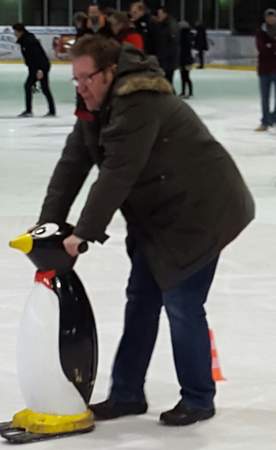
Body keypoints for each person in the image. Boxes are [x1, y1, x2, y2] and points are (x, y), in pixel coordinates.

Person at [37, 35, 255, 426]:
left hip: (199, 212)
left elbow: (119, 173)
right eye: (75, 79)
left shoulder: (138, 104)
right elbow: (72, 163)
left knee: (182, 305)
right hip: (157, 214)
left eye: (87, 78)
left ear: (110, 72)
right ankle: (126, 395)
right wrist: (48, 224)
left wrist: (83, 233)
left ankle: (199, 397)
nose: (81, 87)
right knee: (140, 301)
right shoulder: (95, 106)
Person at [12, 23, 56, 117]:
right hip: (35, 67)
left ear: (20, 31)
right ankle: (49, 111)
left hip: (41, 66)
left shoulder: (29, 41)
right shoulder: (25, 40)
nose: (14, 33)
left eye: (15, 31)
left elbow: (37, 56)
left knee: (38, 87)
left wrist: (40, 70)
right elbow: (30, 59)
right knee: (36, 87)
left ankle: (30, 111)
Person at [255, 8, 276, 132]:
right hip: (264, 70)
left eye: (273, 16)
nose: (271, 18)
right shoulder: (260, 32)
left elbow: (266, 48)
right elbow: (261, 49)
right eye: (269, 16)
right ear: (265, 18)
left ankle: (272, 118)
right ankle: (265, 122)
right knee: (265, 98)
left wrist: (269, 46)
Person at [155, 7, 180, 84]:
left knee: (167, 82)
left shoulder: (171, 25)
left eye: (160, 14)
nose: (158, 16)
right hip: (164, 60)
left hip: (168, 61)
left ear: (165, 14)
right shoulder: (162, 25)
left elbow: (173, 44)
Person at [179, 20, 194, 97]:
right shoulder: (189, 36)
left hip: (184, 60)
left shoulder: (182, 37)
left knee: (184, 76)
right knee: (186, 76)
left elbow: (183, 50)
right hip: (188, 60)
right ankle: (188, 92)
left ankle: (185, 91)